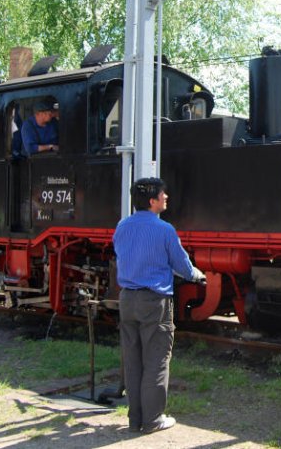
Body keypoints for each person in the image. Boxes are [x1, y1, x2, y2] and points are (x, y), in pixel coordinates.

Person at [113, 177, 205, 434]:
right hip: (155, 301)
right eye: (163, 195)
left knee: (133, 360)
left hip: (127, 298)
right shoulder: (165, 230)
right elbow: (182, 265)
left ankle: (135, 420)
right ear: (152, 201)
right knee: (156, 360)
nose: (167, 198)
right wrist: (196, 275)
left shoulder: (122, 226)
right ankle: (153, 420)